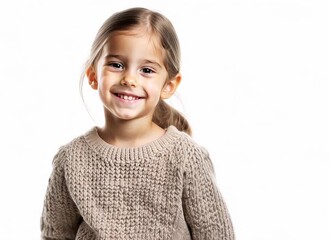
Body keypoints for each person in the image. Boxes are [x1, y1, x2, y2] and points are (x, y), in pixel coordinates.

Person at [40, 7, 235, 240]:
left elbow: (216, 235)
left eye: (146, 70)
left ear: (169, 85)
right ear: (93, 75)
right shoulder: (71, 159)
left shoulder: (186, 156)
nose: (129, 79)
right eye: (116, 65)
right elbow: (56, 235)